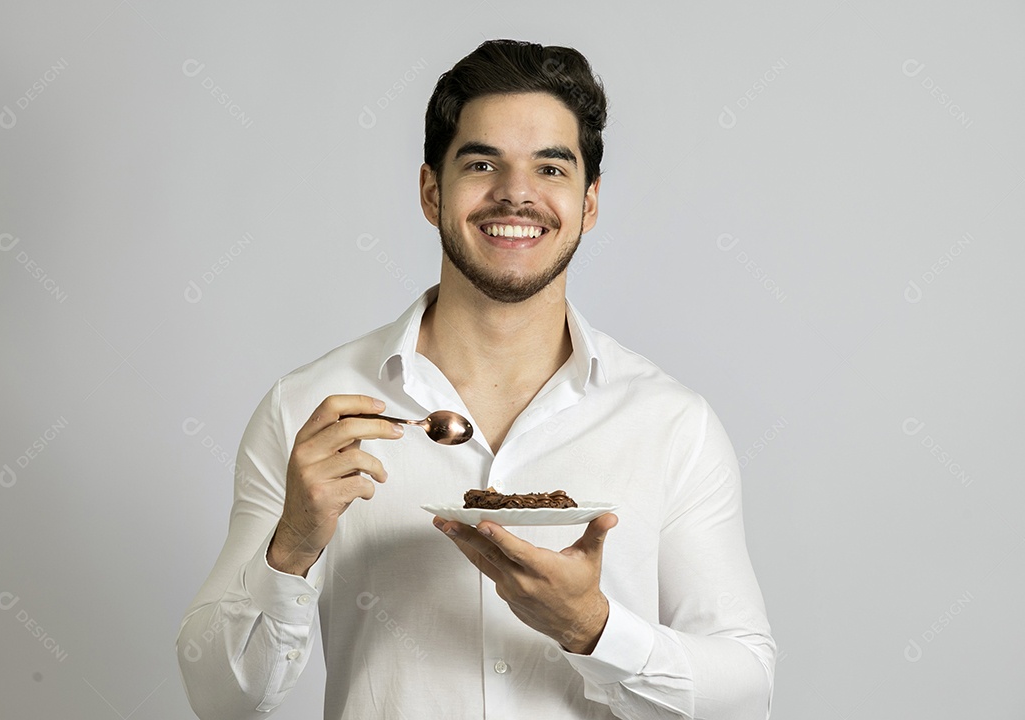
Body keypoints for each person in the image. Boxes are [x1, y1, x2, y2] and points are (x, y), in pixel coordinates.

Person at [177, 39, 776, 720]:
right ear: (433, 192)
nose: (516, 193)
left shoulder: (672, 424)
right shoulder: (308, 411)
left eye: (551, 167)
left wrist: (592, 628)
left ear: (590, 202)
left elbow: (745, 694)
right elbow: (219, 698)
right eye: (483, 162)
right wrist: (291, 548)